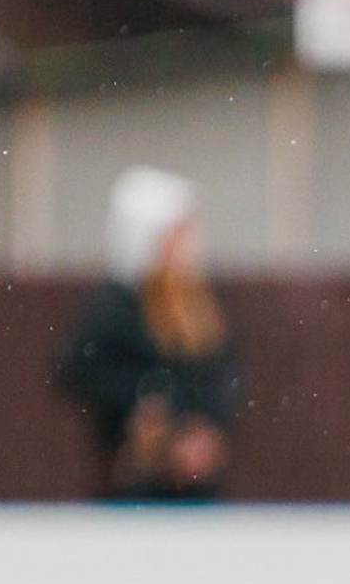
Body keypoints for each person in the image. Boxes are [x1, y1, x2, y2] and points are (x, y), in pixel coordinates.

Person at [54, 167, 242, 501]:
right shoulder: (116, 307)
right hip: (136, 490)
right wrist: (149, 408)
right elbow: (79, 370)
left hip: (198, 489)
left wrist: (204, 428)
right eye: (176, 233)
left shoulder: (197, 304)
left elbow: (223, 372)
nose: (188, 244)